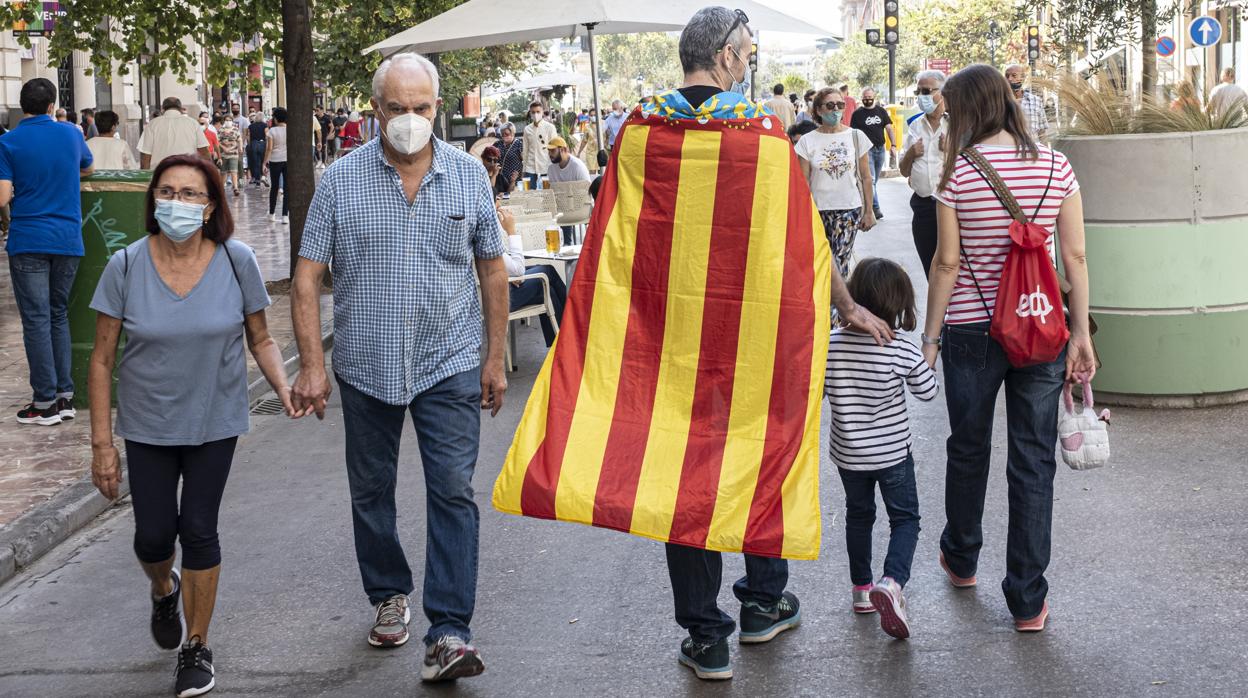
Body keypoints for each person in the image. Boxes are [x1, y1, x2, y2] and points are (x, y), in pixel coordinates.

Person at [497, 7, 892, 683]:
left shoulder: (637, 131)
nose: (751, 60)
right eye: (749, 51)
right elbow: (800, 243)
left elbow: (612, 234)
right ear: (730, 57)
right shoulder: (763, 135)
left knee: (678, 472)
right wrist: (847, 306)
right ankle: (764, 601)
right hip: (750, 339)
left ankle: (706, 635)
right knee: (759, 452)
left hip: (664, 337)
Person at [290, 51, 509, 683]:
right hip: (366, 366)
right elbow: (306, 278)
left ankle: (449, 631)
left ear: (436, 108)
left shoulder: (468, 177)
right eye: (397, 108)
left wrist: (493, 359)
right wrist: (312, 366)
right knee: (371, 493)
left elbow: (492, 269)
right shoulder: (340, 181)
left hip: (450, 361)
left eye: (421, 108)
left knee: (452, 491)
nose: (409, 119)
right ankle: (388, 593)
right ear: (375, 109)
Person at [87, 154, 301, 698]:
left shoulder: (236, 260)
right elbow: (102, 359)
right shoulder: (127, 265)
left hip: (215, 419)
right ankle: (164, 588)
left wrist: (283, 387)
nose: (177, 203)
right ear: (152, 200)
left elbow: (261, 338)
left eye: (190, 194)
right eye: (167, 192)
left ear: (209, 207)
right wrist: (101, 445)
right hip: (148, 423)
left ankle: (197, 646)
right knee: (153, 535)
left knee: (199, 529)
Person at [921, 64, 1097, 633]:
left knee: (968, 446)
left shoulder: (958, 174)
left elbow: (946, 263)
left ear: (969, 108)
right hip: (1042, 326)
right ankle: (1027, 599)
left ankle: (962, 555)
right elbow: (1075, 260)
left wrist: (929, 335)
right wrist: (1081, 332)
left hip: (973, 329)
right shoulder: (1055, 165)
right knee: (1032, 458)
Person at [825, 257, 938, 640]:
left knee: (859, 517)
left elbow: (817, 391)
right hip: (892, 455)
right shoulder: (899, 348)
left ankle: (861, 590)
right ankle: (891, 583)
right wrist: (925, 357)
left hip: (848, 455)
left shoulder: (831, 345)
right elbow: (928, 391)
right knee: (905, 519)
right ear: (900, 303)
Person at [0, 78, 94, 426]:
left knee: (36, 319)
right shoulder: (71, 134)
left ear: (21, 107)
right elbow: (89, 166)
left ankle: (43, 402)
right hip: (68, 237)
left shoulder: (7, 142)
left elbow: (2, 197)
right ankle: (64, 397)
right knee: (57, 315)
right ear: (53, 105)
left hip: (28, 239)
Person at [795, 86, 876, 281]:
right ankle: (831, 307)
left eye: (840, 105)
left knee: (839, 264)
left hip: (848, 210)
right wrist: (801, 215)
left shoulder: (856, 137)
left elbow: (866, 177)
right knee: (820, 264)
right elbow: (803, 182)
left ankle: (835, 309)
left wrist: (869, 211)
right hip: (817, 211)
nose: (836, 110)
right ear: (819, 110)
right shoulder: (807, 141)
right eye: (830, 106)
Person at [900, 69, 947, 277]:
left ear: (942, 92)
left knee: (951, 267)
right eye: (918, 91)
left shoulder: (959, 124)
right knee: (930, 268)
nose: (922, 97)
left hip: (950, 206)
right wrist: (911, 153)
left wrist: (952, 149)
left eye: (927, 91)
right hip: (923, 206)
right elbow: (903, 170)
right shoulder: (914, 126)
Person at [497, 207, 566, 346]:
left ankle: (559, 347)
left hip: (494, 289)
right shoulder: (485, 235)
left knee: (547, 291)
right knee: (547, 271)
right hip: (499, 299)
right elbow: (518, 270)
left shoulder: (476, 228)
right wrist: (511, 231)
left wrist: (508, 274)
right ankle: (575, 326)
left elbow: (501, 266)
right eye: (498, 200)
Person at [850, 88, 895, 220]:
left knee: (874, 181)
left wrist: (893, 145)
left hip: (880, 149)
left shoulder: (881, 111)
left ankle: (870, 204)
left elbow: (889, 128)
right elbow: (853, 132)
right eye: (865, 97)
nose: (867, 99)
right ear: (862, 98)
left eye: (869, 96)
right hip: (866, 150)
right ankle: (875, 208)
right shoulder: (857, 114)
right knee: (872, 179)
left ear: (874, 97)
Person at [139, 97, 210, 169]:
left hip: (160, 173)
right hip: (187, 172)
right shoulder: (193, 123)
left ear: (163, 109)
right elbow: (204, 152)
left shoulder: (152, 124)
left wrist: (145, 177)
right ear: (180, 109)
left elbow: (146, 156)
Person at [1004, 64, 1048, 140]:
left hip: (1032, 148)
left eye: (1014, 76)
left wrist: (1045, 150)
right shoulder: (999, 101)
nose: (1009, 79)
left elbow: (1042, 132)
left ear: (1023, 78)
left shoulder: (1035, 101)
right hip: (1008, 149)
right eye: (1007, 76)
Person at [521, 100, 557, 189]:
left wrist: (555, 166)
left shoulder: (550, 128)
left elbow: (554, 147)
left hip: (546, 165)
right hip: (530, 166)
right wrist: (524, 169)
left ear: (542, 112)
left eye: (538, 112)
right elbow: (525, 150)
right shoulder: (527, 129)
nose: (535, 114)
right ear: (530, 113)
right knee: (530, 194)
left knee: (547, 194)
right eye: (533, 112)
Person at [263, 107, 289, 223]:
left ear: (276, 119)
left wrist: (264, 163)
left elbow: (269, 148)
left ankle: (272, 213)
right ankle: (285, 215)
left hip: (275, 160)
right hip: (287, 160)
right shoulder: (290, 130)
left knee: (274, 187)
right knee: (287, 188)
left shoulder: (271, 131)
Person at [216, 114, 243, 195]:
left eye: (230, 120)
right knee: (223, 172)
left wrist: (240, 148)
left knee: (234, 171)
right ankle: (221, 189)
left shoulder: (235, 129)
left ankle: (235, 188)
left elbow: (239, 139)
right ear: (224, 121)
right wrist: (224, 148)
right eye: (226, 120)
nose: (228, 122)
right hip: (223, 154)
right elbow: (217, 141)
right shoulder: (221, 130)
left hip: (233, 153)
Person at [492, 122, 523, 194]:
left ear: (513, 133)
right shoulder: (497, 144)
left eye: (506, 134)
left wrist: (522, 177)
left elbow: (524, 161)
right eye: (502, 134)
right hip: (500, 180)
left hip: (515, 180)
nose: (504, 136)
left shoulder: (519, 144)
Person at [246, 113, 268, 186]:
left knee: (255, 162)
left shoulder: (250, 126)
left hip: (253, 144)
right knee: (263, 161)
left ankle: (257, 178)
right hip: (262, 144)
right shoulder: (265, 125)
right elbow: (266, 136)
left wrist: (249, 145)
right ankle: (263, 176)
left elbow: (248, 137)